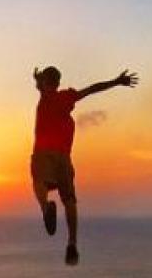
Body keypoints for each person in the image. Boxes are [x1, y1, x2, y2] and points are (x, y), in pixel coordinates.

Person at [31, 66, 138, 265]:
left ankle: (45, 207)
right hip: (63, 157)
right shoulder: (66, 97)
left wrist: (38, 79)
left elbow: (40, 85)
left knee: (39, 182)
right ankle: (72, 243)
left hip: (43, 152)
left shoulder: (45, 97)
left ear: (46, 83)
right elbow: (92, 89)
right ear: (58, 83)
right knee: (69, 200)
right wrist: (116, 82)